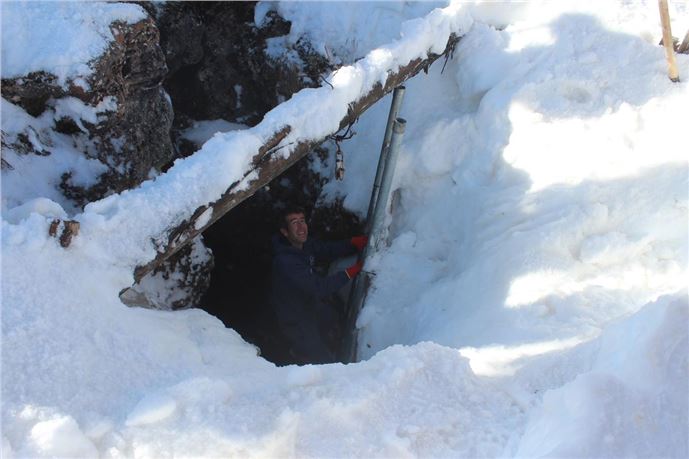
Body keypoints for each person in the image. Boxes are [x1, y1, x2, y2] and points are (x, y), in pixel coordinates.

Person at [269, 205, 367, 364]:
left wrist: (352, 243)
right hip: (296, 320)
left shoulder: (303, 245)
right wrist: (350, 272)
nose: (301, 227)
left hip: (310, 305)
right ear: (285, 232)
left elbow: (326, 250)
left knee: (333, 317)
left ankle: (325, 345)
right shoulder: (285, 262)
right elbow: (319, 288)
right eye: (294, 223)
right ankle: (300, 356)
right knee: (322, 361)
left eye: (302, 220)